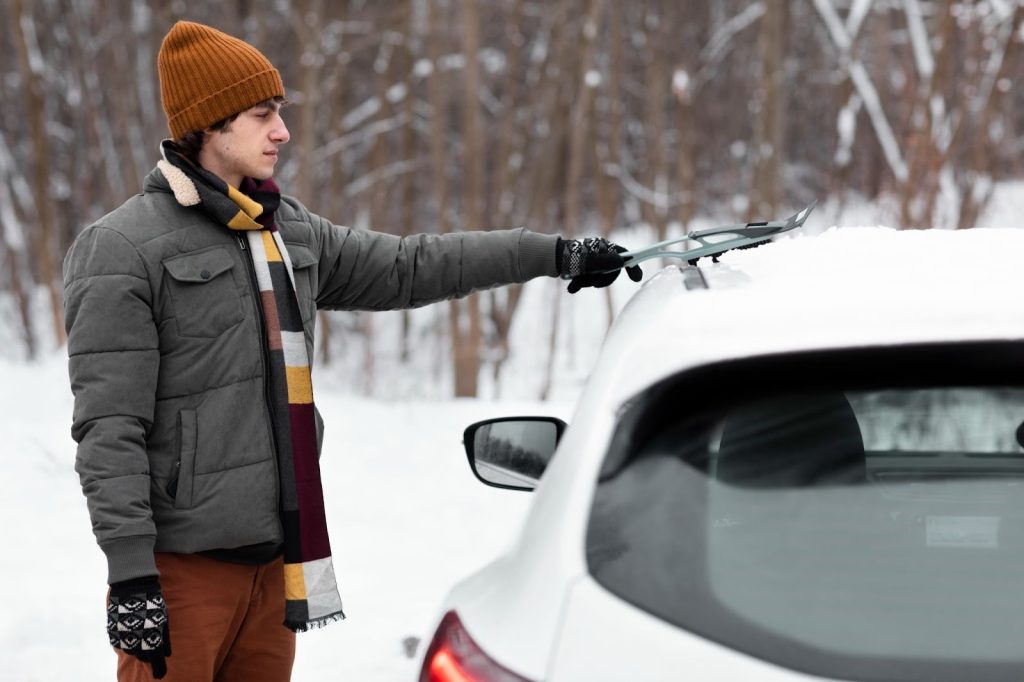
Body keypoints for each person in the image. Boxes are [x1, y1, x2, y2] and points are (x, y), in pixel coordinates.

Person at [63, 19, 641, 682]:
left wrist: (551, 254)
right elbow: (110, 426)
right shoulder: (122, 250)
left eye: (279, 113)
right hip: (184, 574)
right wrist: (132, 573)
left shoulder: (285, 229)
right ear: (209, 124)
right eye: (262, 115)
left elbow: (412, 265)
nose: (281, 131)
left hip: (276, 570)